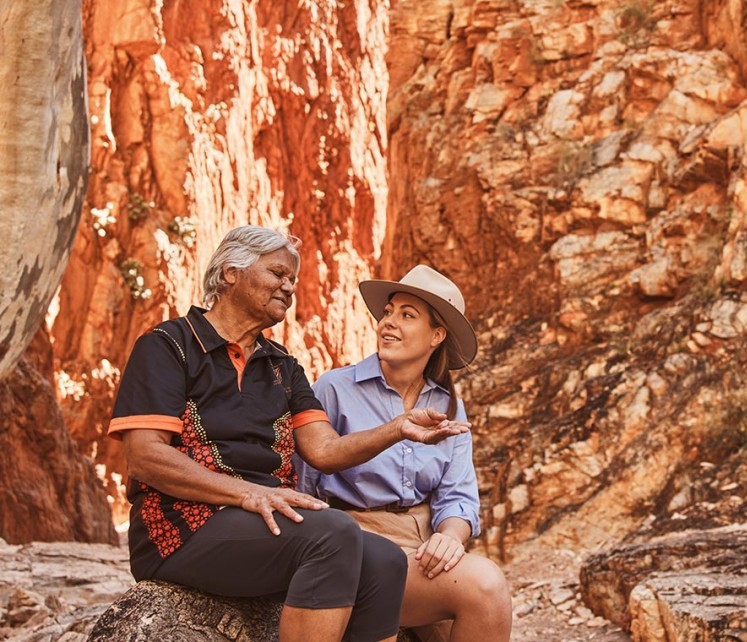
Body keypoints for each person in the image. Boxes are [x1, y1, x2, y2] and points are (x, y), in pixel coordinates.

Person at [108, 226, 470, 642]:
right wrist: (249, 493)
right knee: (334, 535)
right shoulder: (168, 346)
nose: (289, 286)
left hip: (263, 524)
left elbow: (325, 450)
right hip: (180, 529)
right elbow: (145, 457)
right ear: (230, 272)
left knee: (385, 561)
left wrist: (396, 430)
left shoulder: (282, 366)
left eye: (292, 279)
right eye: (278, 273)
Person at [296, 265, 512, 642]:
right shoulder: (334, 389)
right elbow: (304, 486)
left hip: (424, 545)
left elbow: (458, 495)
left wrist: (450, 536)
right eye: (388, 312)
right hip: (356, 544)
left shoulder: (446, 403)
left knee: (487, 598)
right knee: (486, 588)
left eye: (407, 315)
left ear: (437, 335)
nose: (388, 323)